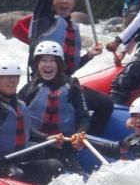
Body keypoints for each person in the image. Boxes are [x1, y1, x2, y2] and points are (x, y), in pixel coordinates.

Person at [26, 0, 114, 134]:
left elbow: (70, 68)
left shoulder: (72, 29)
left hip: (64, 85)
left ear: (75, 2)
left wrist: (88, 56)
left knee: (105, 104)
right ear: (52, 0)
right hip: (39, 86)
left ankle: (84, 141)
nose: (64, 1)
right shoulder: (43, 20)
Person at [18, 41, 91, 172]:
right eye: (43, 61)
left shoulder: (72, 87)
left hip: (64, 146)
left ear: (59, 64)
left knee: (78, 177)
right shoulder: (29, 89)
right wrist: (43, 137)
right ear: (37, 64)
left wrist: (79, 135)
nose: (48, 65)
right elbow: (17, 120)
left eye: (52, 61)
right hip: (37, 144)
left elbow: (84, 117)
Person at [76, 95, 140, 171]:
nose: (138, 120)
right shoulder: (134, 138)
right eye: (135, 116)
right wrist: (85, 142)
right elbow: (116, 149)